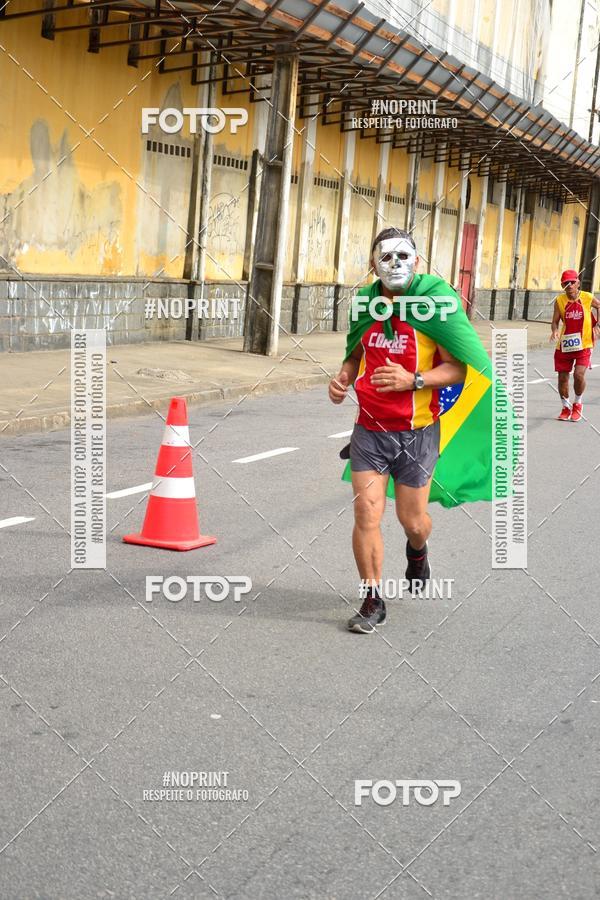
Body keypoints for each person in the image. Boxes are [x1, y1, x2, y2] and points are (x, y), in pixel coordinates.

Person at [328, 228, 467, 633]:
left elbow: (457, 367)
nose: (395, 265)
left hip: (417, 432)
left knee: (414, 520)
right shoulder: (366, 308)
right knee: (366, 511)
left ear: (418, 262)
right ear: (372, 265)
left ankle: (418, 550)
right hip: (369, 430)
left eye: (403, 256)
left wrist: (414, 380)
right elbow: (354, 356)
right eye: (385, 258)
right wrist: (342, 378)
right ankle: (372, 599)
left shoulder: (432, 310)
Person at [550, 269, 600, 422]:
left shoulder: (587, 297)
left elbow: (599, 306)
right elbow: (555, 321)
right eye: (566, 283)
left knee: (578, 375)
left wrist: (598, 324)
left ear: (578, 283)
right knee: (562, 378)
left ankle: (577, 403)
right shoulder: (559, 301)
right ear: (562, 285)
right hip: (565, 345)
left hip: (584, 343)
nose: (570, 285)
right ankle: (565, 407)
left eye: (572, 282)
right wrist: (555, 331)